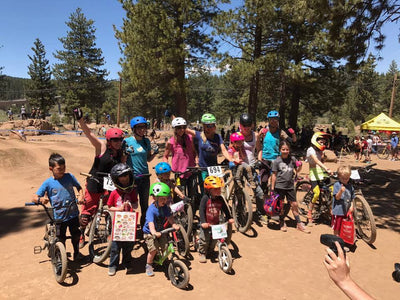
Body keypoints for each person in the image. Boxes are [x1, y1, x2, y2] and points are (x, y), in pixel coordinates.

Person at [73, 108, 126, 248]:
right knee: (87, 212)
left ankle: (108, 231)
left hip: (110, 184)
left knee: (110, 208)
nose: (117, 142)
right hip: (95, 181)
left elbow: (123, 168)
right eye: (114, 140)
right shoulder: (101, 147)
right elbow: (89, 134)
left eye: (119, 140)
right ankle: (81, 233)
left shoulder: (121, 152)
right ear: (109, 140)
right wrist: (80, 120)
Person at [33, 153, 84, 261]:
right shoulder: (48, 183)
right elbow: (35, 197)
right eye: (59, 168)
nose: (63, 170)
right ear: (51, 168)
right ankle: (62, 257)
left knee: (76, 235)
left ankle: (77, 253)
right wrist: (41, 200)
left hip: (73, 213)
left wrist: (80, 196)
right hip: (59, 216)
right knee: (61, 238)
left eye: (64, 167)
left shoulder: (70, 177)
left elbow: (79, 187)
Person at [256, 110, 297, 221]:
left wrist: (292, 133)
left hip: (278, 161)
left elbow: (293, 141)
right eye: (271, 119)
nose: (274, 121)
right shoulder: (264, 131)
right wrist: (258, 136)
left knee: (277, 186)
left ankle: (275, 209)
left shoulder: (280, 132)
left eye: (276, 119)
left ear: (278, 120)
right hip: (265, 160)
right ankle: (264, 210)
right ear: (268, 120)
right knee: (263, 184)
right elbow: (258, 145)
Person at [125, 116, 158, 227]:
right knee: (130, 203)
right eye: (139, 127)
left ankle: (144, 226)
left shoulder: (146, 141)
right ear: (133, 129)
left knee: (144, 204)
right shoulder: (127, 141)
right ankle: (129, 228)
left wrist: (154, 153)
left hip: (144, 176)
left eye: (143, 127)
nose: (142, 129)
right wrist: (126, 152)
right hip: (132, 177)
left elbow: (148, 159)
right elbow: (122, 159)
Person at [270, 140, 310, 233]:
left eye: (287, 149)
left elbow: (297, 170)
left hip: (290, 186)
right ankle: (281, 221)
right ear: (280, 150)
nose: (285, 151)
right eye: (283, 149)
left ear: (289, 150)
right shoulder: (276, 161)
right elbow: (274, 175)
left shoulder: (292, 159)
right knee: (281, 206)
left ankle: (299, 223)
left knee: (294, 204)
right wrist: (272, 188)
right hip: (279, 186)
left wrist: (300, 165)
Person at [185, 113, 233, 189]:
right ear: (204, 126)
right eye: (207, 126)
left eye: (212, 125)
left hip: (214, 168)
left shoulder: (217, 137)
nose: (210, 128)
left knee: (217, 189)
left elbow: (224, 150)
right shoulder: (199, 135)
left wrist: (231, 160)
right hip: (203, 168)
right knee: (205, 190)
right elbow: (184, 129)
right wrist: (172, 117)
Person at [142, 182, 180, 277]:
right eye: (162, 198)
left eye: (166, 198)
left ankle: (164, 260)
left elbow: (169, 217)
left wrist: (174, 224)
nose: (165, 200)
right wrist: (154, 232)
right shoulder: (151, 210)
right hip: (150, 233)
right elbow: (150, 223)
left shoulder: (165, 207)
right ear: (154, 198)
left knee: (165, 246)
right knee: (153, 250)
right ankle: (149, 265)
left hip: (161, 231)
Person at [107, 163, 138, 276]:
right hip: (118, 225)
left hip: (129, 224)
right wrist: (119, 208)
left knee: (128, 247)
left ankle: (127, 263)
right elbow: (109, 206)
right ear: (116, 179)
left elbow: (135, 203)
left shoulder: (132, 191)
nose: (125, 179)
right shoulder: (114, 193)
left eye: (126, 176)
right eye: (122, 177)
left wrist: (132, 206)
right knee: (115, 247)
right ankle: (113, 265)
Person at [198, 176, 234, 263]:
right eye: (215, 189)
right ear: (208, 190)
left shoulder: (220, 198)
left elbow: (225, 209)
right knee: (205, 239)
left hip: (216, 223)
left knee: (214, 239)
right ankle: (202, 253)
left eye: (219, 188)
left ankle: (210, 251)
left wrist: (229, 218)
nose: (218, 190)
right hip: (207, 223)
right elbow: (201, 210)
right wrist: (203, 222)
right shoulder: (205, 198)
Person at [238, 113, 265, 223]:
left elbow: (259, 149)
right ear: (240, 125)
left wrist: (259, 160)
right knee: (239, 191)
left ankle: (260, 212)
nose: (246, 127)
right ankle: (239, 212)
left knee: (259, 192)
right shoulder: (237, 135)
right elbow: (231, 149)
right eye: (244, 125)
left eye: (249, 125)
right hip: (239, 166)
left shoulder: (255, 135)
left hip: (252, 166)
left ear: (252, 125)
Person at [306, 132, 333, 223]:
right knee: (316, 193)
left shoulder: (320, 150)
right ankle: (309, 212)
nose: (323, 143)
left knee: (332, 190)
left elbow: (321, 160)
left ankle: (329, 210)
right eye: (321, 141)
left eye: (324, 142)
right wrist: (326, 168)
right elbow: (316, 161)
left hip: (321, 172)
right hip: (314, 173)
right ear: (315, 140)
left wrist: (324, 158)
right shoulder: (311, 150)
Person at [163, 117, 196, 183]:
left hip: (191, 169)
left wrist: (196, 162)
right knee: (180, 190)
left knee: (192, 191)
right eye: (179, 128)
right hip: (178, 171)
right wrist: (166, 166)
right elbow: (165, 156)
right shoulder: (171, 142)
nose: (182, 130)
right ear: (174, 129)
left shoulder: (190, 138)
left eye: (184, 127)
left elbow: (193, 151)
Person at [332, 165, 354, 236]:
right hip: (338, 211)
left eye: (347, 178)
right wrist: (341, 191)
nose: (345, 180)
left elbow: (352, 197)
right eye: (343, 178)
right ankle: (336, 242)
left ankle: (342, 241)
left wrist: (352, 206)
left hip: (346, 211)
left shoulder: (350, 186)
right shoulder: (337, 185)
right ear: (339, 177)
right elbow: (337, 198)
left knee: (344, 227)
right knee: (337, 228)